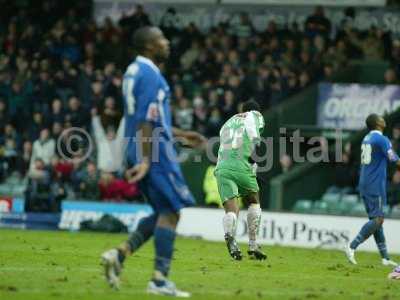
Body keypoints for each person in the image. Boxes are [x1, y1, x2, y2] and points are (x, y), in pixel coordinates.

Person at [101, 27, 206, 297]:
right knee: (172, 211)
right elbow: (147, 121)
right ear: (148, 46)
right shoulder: (150, 75)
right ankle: (159, 281)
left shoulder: (133, 71)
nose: (167, 43)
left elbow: (148, 119)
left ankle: (119, 255)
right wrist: (147, 160)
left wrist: (181, 135)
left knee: (163, 212)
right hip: (154, 152)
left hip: (143, 146)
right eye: (161, 39)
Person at [214, 100, 266, 261]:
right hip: (242, 165)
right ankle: (253, 244)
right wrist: (254, 158)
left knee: (232, 210)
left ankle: (230, 237)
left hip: (222, 167)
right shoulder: (255, 115)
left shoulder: (227, 123)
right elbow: (253, 133)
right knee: (253, 200)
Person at [345, 114, 399, 266]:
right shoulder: (382, 139)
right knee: (378, 219)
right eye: (380, 118)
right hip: (375, 183)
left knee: (375, 220)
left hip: (365, 181)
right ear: (377, 123)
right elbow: (393, 158)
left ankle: (385, 258)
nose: (383, 119)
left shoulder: (367, 138)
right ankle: (351, 246)